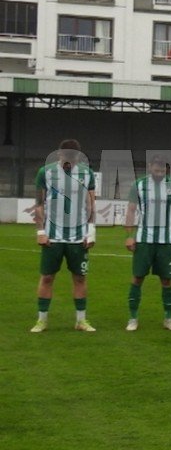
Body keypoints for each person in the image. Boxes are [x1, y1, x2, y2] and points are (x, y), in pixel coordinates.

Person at [30, 139, 97, 333]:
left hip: (78, 237)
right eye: (66, 158)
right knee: (47, 277)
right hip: (52, 237)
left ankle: (81, 321)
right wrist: (40, 231)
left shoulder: (87, 173)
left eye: (73, 159)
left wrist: (91, 231)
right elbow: (39, 204)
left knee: (80, 278)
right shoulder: (45, 173)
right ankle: (42, 320)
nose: (69, 162)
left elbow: (91, 204)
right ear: (59, 154)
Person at [124, 155, 171, 331]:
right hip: (144, 240)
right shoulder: (139, 185)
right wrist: (129, 235)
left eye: (162, 170)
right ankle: (133, 318)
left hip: (166, 242)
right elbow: (131, 210)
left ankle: (168, 318)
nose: (159, 173)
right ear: (150, 167)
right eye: (156, 170)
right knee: (137, 278)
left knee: (167, 280)